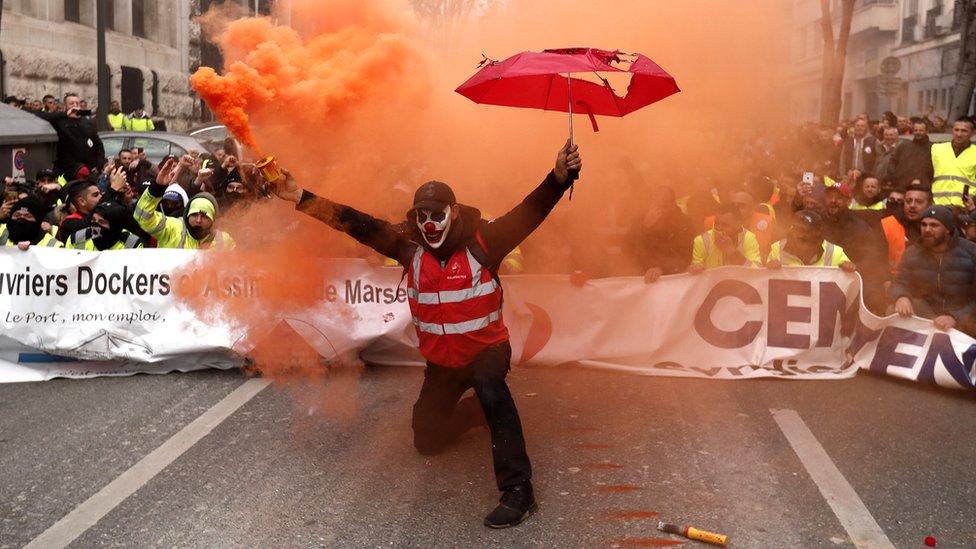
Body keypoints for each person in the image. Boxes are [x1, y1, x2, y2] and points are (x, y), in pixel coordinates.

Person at [271, 141, 582, 528]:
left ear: (453, 212)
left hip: (486, 350)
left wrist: (558, 178)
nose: (428, 224)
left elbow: (528, 213)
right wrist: (300, 196)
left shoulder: (485, 241)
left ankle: (519, 490)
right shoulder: (409, 247)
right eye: (421, 216)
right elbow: (356, 224)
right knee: (426, 439)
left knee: (491, 387)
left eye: (436, 215)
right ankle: (472, 415)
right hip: (442, 363)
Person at [890, 205, 976, 336]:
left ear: (947, 229)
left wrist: (955, 317)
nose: (927, 230)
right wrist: (901, 297)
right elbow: (898, 282)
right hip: (926, 317)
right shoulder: (912, 253)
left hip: (963, 320)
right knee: (892, 310)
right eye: (924, 225)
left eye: (934, 225)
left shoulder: (971, 252)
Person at [133, 158, 234, 249]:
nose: (198, 220)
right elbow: (142, 217)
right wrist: (157, 187)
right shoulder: (172, 229)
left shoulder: (224, 241)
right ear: (187, 214)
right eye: (194, 215)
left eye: (204, 216)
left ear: (213, 219)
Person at [630, 186, 696, 283]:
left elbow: (685, 254)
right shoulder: (640, 221)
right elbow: (631, 249)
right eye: (656, 202)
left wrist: (661, 268)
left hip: (678, 280)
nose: (659, 207)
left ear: (672, 204)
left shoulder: (685, 223)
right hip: (647, 279)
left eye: (664, 203)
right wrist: (644, 227)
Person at [34, 93, 105, 179]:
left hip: (88, 172)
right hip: (67, 172)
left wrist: (99, 165)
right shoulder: (59, 121)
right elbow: (39, 116)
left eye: (77, 103)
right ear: (65, 106)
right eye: (71, 103)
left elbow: (98, 145)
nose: (75, 106)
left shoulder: (87, 122)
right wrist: (64, 114)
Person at [767, 210, 855, 270]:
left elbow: (849, 281)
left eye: (806, 231)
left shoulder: (835, 252)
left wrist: (848, 268)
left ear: (818, 232)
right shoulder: (777, 248)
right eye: (797, 230)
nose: (800, 235)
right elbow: (764, 284)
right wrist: (769, 269)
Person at [687, 203, 761, 273]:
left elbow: (756, 272)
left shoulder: (749, 238)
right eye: (716, 223)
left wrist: (732, 252)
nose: (719, 228)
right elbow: (695, 276)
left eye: (725, 225)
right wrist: (695, 269)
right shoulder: (701, 240)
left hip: (740, 284)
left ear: (738, 225)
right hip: (712, 285)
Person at [880, 183, 931, 271]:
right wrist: (886, 280)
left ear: (929, 204)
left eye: (919, 202)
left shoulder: (938, 227)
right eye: (908, 201)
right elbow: (876, 260)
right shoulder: (887, 224)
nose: (912, 205)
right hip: (894, 280)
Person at [931, 117, 976, 207]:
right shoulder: (936, 149)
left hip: (965, 207)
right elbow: (926, 175)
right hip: (938, 205)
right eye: (956, 130)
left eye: (964, 131)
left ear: (973, 133)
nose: (959, 134)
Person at [66, 201, 144, 250]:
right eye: (93, 219)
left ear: (115, 226)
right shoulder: (75, 239)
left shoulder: (133, 244)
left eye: (101, 222)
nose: (95, 225)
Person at [887, 119, 934, 188]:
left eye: (921, 130)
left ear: (926, 131)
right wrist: (895, 177)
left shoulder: (933, 148)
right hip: (902, 187)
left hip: (923, 188)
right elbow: (892, 162)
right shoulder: (904, 146)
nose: (918, 132)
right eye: (916, 130)